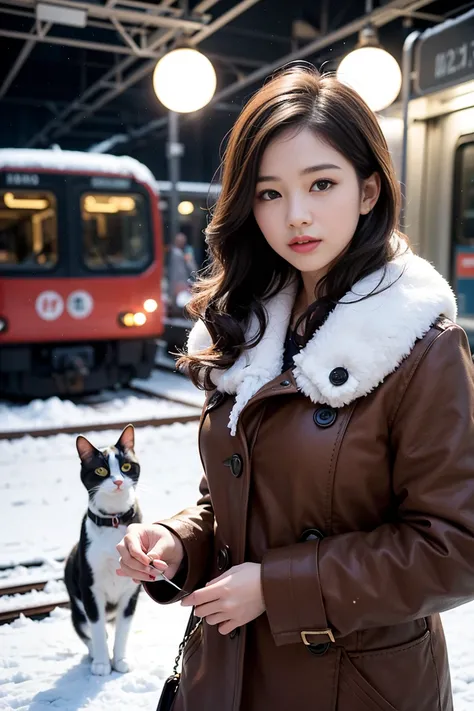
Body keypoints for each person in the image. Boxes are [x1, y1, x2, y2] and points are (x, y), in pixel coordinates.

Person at [116, 65, 474, 711]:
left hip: (356, 683)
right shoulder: (249, 325)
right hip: (228, 667)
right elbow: (239, 497)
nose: (296, 215)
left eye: (322, 183)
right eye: (269, 193)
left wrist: (281, 587)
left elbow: (456, 544)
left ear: (368, 191)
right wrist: (177, 541)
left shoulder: (422, 342)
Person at [168, 231, 197, 315]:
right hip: (178, 283)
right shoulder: (177, 254)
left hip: (180, 283)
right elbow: (192, 269)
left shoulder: (183, 254)